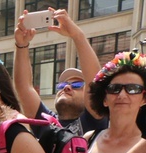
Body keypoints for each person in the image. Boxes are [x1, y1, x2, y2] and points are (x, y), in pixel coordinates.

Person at [13, 8, 107, 137]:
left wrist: (77, 35)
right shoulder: (45, 122)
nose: (67, 87)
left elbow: (94, 84)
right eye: (62, 85)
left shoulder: (94, 119)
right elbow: (24, 88)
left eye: (77, 85)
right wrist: (21, 44)